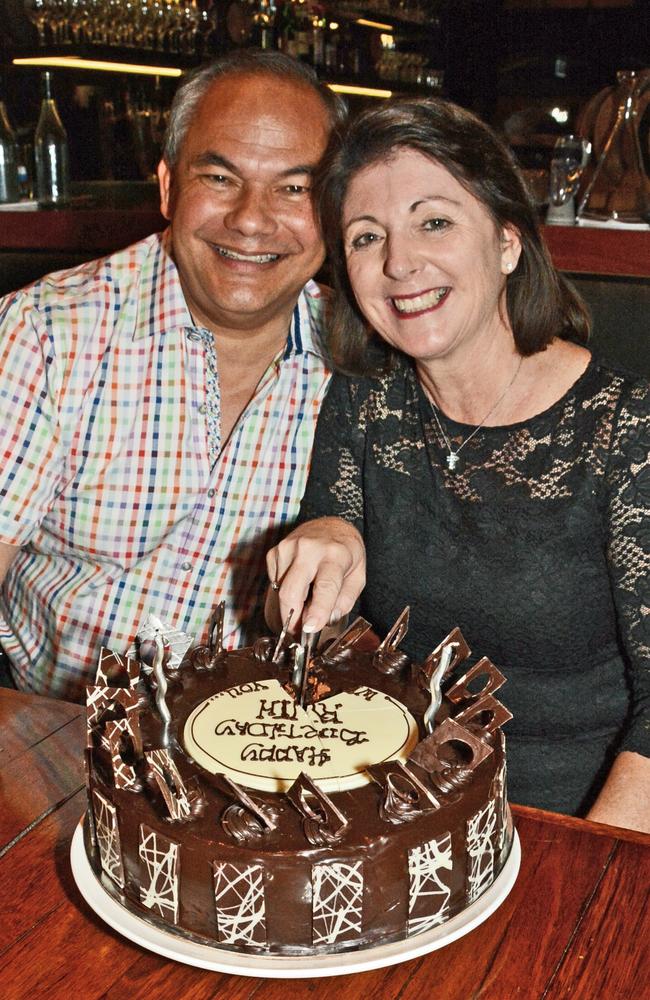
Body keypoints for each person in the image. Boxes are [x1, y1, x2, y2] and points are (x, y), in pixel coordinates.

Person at [266, 98, 650, 832]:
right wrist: (329, 538)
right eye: (366, 236)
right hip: (406, 810)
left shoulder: (626, 429)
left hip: (581, 824)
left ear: (508, 242)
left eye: (433, 221)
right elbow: (314, 634)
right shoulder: (364, 404)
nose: (399, 262)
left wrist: (584, 871)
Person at [0, 50, 346, 702]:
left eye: (295, 189)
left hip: (259, 748)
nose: (251, 218)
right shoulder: (48, 332)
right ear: (166, 188)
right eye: (219, 177)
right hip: (60, 734)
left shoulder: (361, 357)